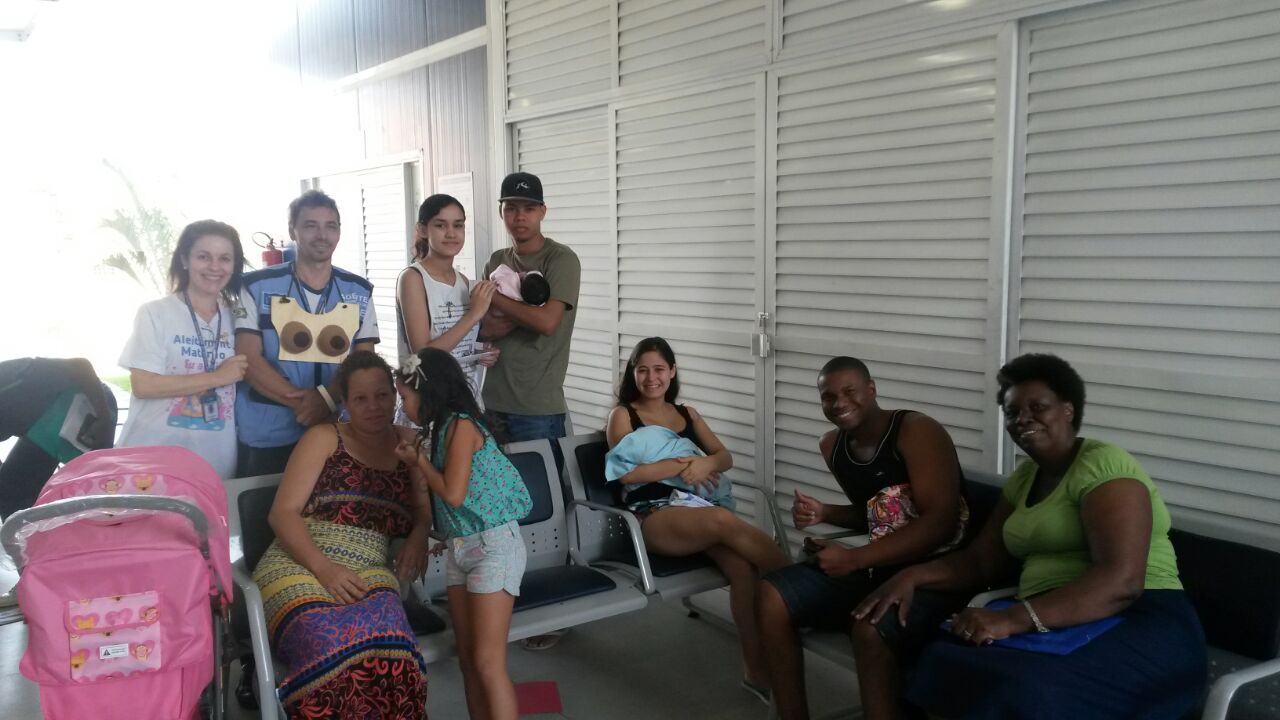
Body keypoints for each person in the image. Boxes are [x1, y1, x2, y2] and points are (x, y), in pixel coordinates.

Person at [855, 353, 1206, 720]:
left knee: (1025, 689)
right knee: (947, 658)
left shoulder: (1103, 465)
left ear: (1068, 410)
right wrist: (912, 576)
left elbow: (1121, 582)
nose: (1022, 418)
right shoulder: (1024, 479)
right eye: (1012, 412)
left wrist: (1013, 619)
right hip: (1055, 616)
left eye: (1037, 407)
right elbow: (982, 561)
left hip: (1138, 617)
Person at [756, 356, 971, 720]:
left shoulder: (915, 430)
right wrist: (826, 513)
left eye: (850, 391)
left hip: (934, 576)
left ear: (871, 390)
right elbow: (879, 511)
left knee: (869, 629)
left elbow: (940, 523)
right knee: (770, 595)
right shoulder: (833, 445)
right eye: (828, 396)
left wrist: (853, 558)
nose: (839, 403)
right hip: (878, 567)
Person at [605, 337, 788, 703]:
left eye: (659, 369)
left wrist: (706, 463)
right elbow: (626, 474)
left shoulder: (687, 414)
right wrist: (681, 466)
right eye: (643, 370)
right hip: (653, 515)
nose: (651, 378)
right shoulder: (623, 415)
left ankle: (755, 671)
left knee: (743, 569)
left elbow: (724, 457)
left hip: (696, 508)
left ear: (672, 372)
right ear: (633, 374)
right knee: (721, 520)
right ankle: (798, 580)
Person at [253, 351, 430, 719]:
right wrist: (325, 568)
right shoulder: (324, 437)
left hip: (371, 566)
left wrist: (419, 534)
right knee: (326, 640)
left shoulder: (409, 443)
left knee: (391, 640)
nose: (373, 406)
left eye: (382, 395)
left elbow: (423, 508)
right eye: (360, 398)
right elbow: (282, 513)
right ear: (345, 402)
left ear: (394, 395)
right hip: (300, 560)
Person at [394, 348, 532, 720]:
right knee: (468, 660)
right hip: (462, 547)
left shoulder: (461, 426)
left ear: (428, 391)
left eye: (405, 398)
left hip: (493, 547)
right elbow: (462, 502)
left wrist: (418, 461)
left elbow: (453, 493)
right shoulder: (440, 430)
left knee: (487, 662)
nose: (403, 407)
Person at [480, 171, 581, 650]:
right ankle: (513, 603)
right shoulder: (496, 260)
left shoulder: (561, 260)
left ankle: (556, 611)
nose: (518, 217)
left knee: (548, 515)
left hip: (539, 408)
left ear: (542, 212)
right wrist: (503, 314)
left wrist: (496, 301)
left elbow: (547, 322)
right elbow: (485, 327)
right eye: (510, 208)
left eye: (527, 208)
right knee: (503, 513)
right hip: (491, 404)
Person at [235, 190, 379, 477]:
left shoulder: (359, 290)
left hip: (336, 430)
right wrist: (305, 404)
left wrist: (326, 400)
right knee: (265, 504)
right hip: (268, 434)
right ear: (293, 231)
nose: (322, 235)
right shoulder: (256, 286)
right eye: (311, 225)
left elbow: (364, 363)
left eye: (330, 226)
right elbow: (247, 359)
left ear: (339, 232)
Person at [116, 220, 249, 479]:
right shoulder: (155, 313)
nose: (214, 267)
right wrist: (217, 377)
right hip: (151, 458)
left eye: (224, 258)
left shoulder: (238, 318)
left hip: (215, 459)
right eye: (203, 256)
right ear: (185, 260)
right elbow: (144, 385)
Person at [0, 356, 117, 605]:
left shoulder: (8, 377)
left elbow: (81, 365)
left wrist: (104, 418)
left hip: (85, 407)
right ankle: (39, 577)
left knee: (91, 505)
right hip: (44, 425)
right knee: (13, 494)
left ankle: (59, 579)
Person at [396, 194, 499, 407]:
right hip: (428, 403)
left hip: (466, 398)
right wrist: (473, 315)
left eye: (458, 225)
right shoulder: (413, 278)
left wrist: (479, 353)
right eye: (440, 225)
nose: (451, 233)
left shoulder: (463, 281)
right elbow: (423, 355)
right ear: (422, 230)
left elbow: (458, 343)